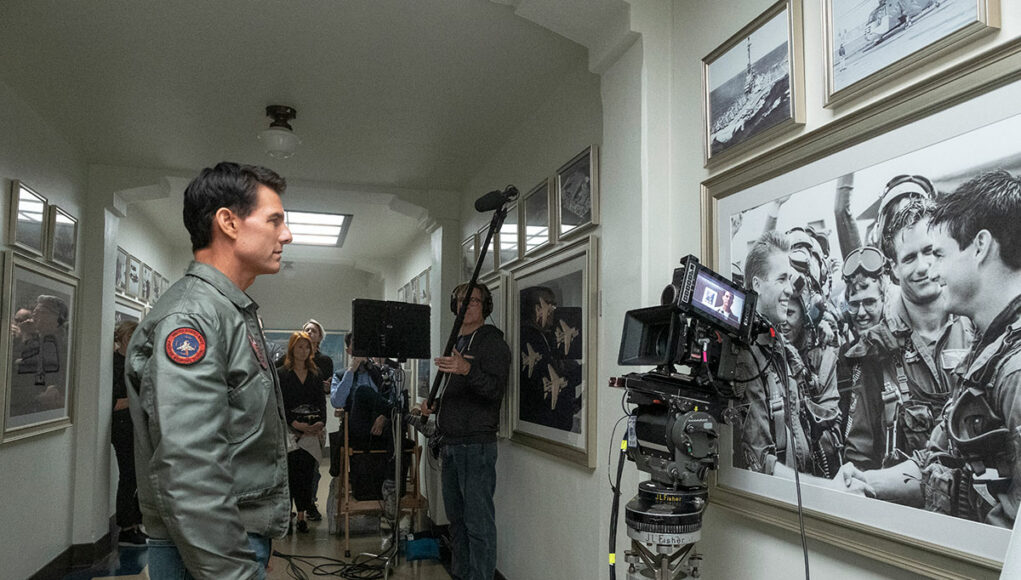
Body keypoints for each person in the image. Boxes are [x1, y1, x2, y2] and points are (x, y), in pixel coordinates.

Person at [125, 161, 293, 579]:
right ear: (228, 223)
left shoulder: (227, 310)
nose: (286, 235)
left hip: (227, 539)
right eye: (274, 221)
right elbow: (189, 469)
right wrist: (237, 570)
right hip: (206, 551)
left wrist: (256, 537)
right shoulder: (193, 318)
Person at [842, 170, 1021, 527]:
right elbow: (938, 460)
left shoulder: (1013, 370)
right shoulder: (986, 354)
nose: (931, 270)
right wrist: (864, 481)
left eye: (938, 253)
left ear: (980, 247)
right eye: (912, 257)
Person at [842, 199, 974, 470]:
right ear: (894, 268)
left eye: (929, 251)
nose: (923, 266)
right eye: (910, 258)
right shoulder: (875, 349)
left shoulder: (976, 327)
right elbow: (858, 458)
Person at [421, 282, 510, 580]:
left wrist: (467, 369)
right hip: (451, 443)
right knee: (456, 521)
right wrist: (435, 405)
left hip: (475, 446)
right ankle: (461, 574)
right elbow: (459, 393)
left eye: (473, 301)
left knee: (478, 523)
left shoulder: (492, 343)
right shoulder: (458, 342)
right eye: (461, 300)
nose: (466, 305)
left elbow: (494, 390)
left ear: (485, 307)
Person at [277, 332, 325, 534]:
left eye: (307, 347)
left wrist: (320, 422)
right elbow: (279, 403)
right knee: (288, 474)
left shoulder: (315, 373)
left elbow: (320, 401)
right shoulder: (282, 374)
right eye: (300, 347)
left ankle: (302, 516)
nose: (303, 351)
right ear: (292, 349)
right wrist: (294, 423)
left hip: (311, 431)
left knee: (306, 474)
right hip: (289, 431)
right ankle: (287, 516)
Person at [111, 320, 146, 547]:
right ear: (126, 338)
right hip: (122, 427)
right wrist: (139, 399)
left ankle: (135, 522)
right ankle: (126, 527)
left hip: (135, 424)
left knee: (137, 476)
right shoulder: (114, 364)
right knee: (128, 475)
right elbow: (114, 403)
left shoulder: (134, 363)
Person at [301, 318, 333, 522]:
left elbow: (327, 389)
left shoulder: (325, 361)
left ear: (320, 336)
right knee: (294, 466)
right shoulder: (294, 359)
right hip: (294, 419)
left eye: (313, 330)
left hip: (316, 418)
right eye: (306, 330)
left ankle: (310, 503)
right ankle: (295, 507)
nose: (309, 332)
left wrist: (325, 387)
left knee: (313, 466)